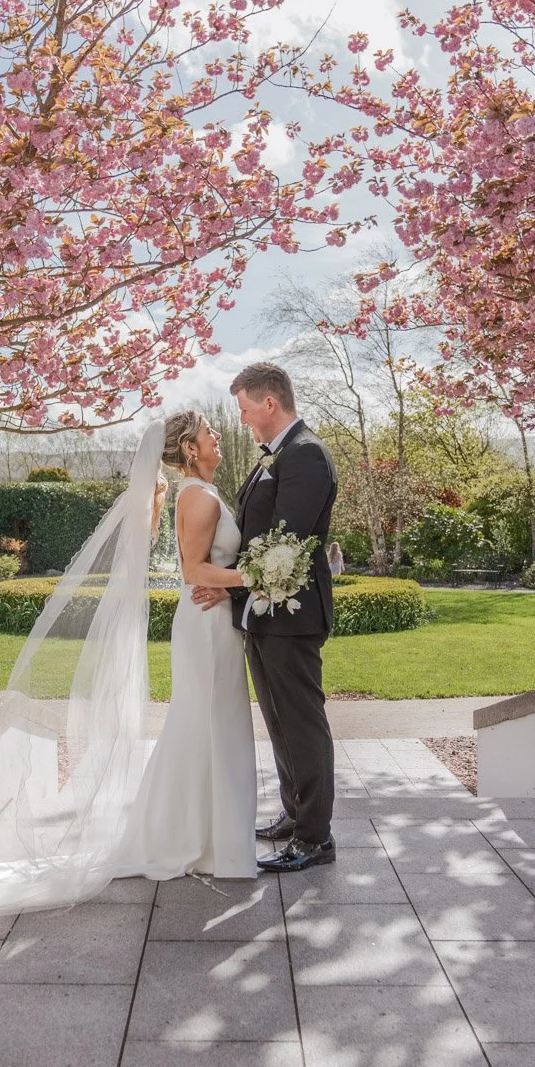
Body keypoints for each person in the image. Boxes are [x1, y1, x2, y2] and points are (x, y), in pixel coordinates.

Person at [0, 413, 259, 910]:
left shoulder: (198, 491)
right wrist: (260, 575)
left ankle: (207, 840)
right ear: (190, 447)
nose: (218, 438)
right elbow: (194, 570)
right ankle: (197, 840)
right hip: (206, 625)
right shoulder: (198, 496)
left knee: (207, 725)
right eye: (210, 431)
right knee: (206, 724)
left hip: (210, 622)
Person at [193, 361, 339, 874]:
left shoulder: (306, 456)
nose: (242, 420)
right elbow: (261, 544)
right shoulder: (274, 457)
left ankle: (315, 837)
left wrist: (228, 584)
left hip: (293, 616)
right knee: (278, 722)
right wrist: (230, 591)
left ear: (269, 403)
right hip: (262, 613)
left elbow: (286, 545)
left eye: (245, 408)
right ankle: (295, 812)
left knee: (301, 724)